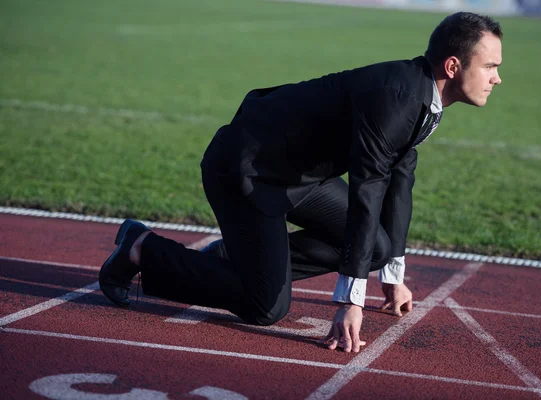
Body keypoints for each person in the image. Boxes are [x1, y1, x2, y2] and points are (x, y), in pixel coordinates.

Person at [99, 11, 503, 353]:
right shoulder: (397, 97)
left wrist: (393, 275)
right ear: (453, 67)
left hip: (299, 175)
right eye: (490, 66)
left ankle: (230, 258)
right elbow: (369, 192)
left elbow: (400, 180)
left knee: (375, 247)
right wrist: (350, 301)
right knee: (265, 307)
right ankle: (142, 250)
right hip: (248, 170)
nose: (496, 78)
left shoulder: (421, 96)